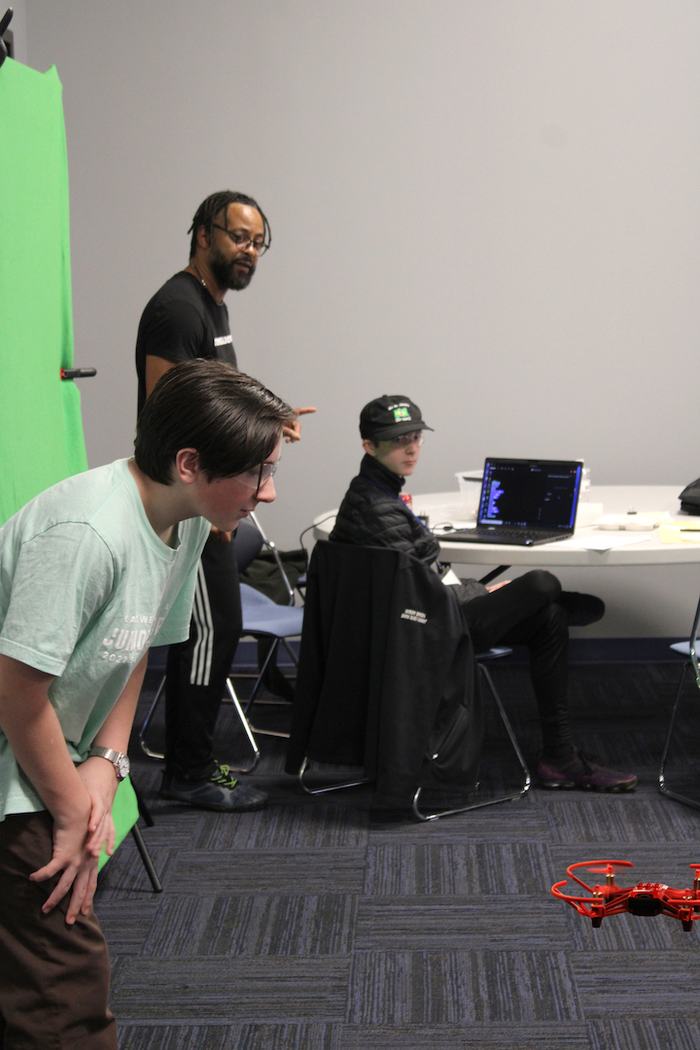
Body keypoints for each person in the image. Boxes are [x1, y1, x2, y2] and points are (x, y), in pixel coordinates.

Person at [0, 360, 293, 1047]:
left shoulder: (184, 519)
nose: (269, 492)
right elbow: (16, 693)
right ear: (190, 463)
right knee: (63, 987)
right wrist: (72, 805)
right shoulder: (88, 534)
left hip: (50, 747)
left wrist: (107, 761)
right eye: (256, 473)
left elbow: (133, 647)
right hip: (17, 745)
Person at [330, 394, 638, 793]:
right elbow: (420, 594)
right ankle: (549, 605)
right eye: (396, 440)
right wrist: (481, 595)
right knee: (542, 584)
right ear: (368, 446)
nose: (410, 448)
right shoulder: (375, 508)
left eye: (415, 437)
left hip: (427, 617)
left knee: (550, 617)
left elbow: (425, 579)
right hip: (421, 633)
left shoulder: (379, 494)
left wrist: (482, 590)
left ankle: (559, 756)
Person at [135, 190, 314, 812]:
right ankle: (187, 770)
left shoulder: (212, 307)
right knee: (211, 631)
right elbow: (170, 416)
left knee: (215, 628)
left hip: (207, 500)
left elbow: (213, 395)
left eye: (259, 242)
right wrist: (207, 507)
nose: (250, 252)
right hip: (190, 503)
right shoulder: (177, 309)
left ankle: (192, 761)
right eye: (240, 237)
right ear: (203, 233)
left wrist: (266, 419)